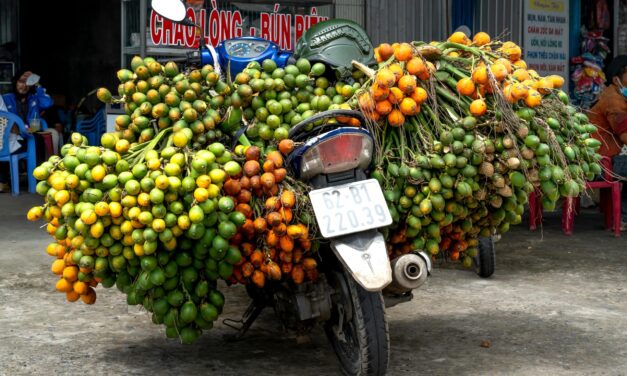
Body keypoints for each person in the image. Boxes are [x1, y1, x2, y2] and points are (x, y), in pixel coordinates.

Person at [588, 55, 627, 230]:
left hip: (610, 156)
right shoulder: (614, 101)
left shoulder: (618, 95)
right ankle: (624, 218)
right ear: (616, 79)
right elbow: (625, 135)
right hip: (603, 163)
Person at [0, 71, 54, 192]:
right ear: (15, 83)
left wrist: (38, 85)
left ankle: (39, 178)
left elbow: (48, 103)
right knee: (3, 143)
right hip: (13, 134)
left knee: (38, 140)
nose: (23, 86)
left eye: (28, 83)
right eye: (20, 82)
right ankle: (3, 180)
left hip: (31, 134)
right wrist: (20, 129)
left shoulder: (34, 98)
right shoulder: (6, 98)